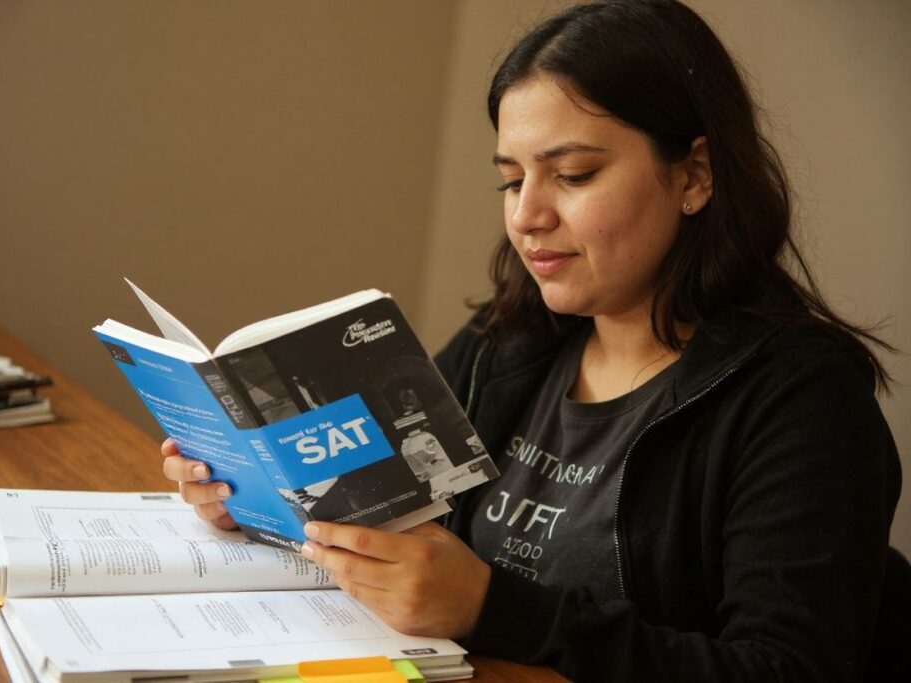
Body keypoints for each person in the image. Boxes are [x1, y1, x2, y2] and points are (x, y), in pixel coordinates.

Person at [160, 1, 907, 680]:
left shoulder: (801, 401)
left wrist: (495, 607)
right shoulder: (508, 341)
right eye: (511, 181)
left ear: (695, 175)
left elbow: (784, 670)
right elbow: (384, 504)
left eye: (573, 174)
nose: (527, 216)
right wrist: (256, 501)